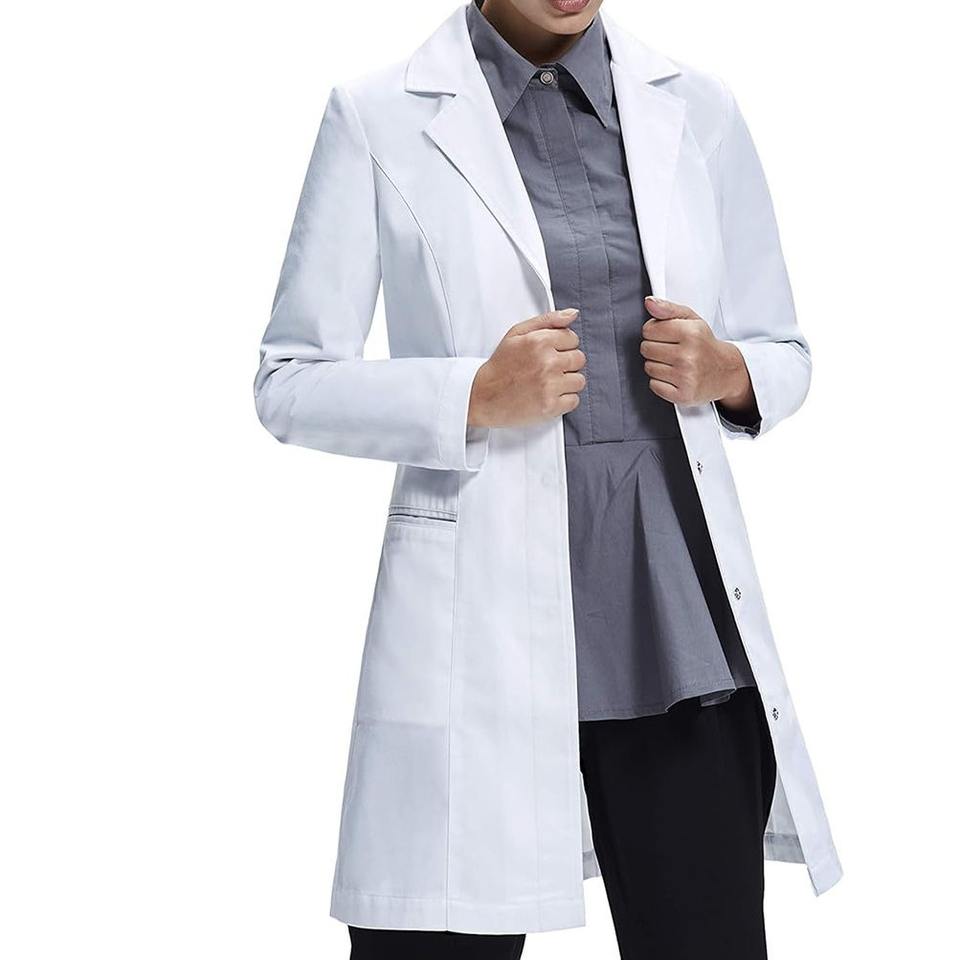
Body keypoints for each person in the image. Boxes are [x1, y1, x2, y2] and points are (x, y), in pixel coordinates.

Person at [254, 1, 842, 957]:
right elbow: (288, 381)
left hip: (672, 622)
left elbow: (783, 349)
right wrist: (471, 394)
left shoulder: (698, 107)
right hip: (473, 624)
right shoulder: (377, 115)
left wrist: (729, 370)